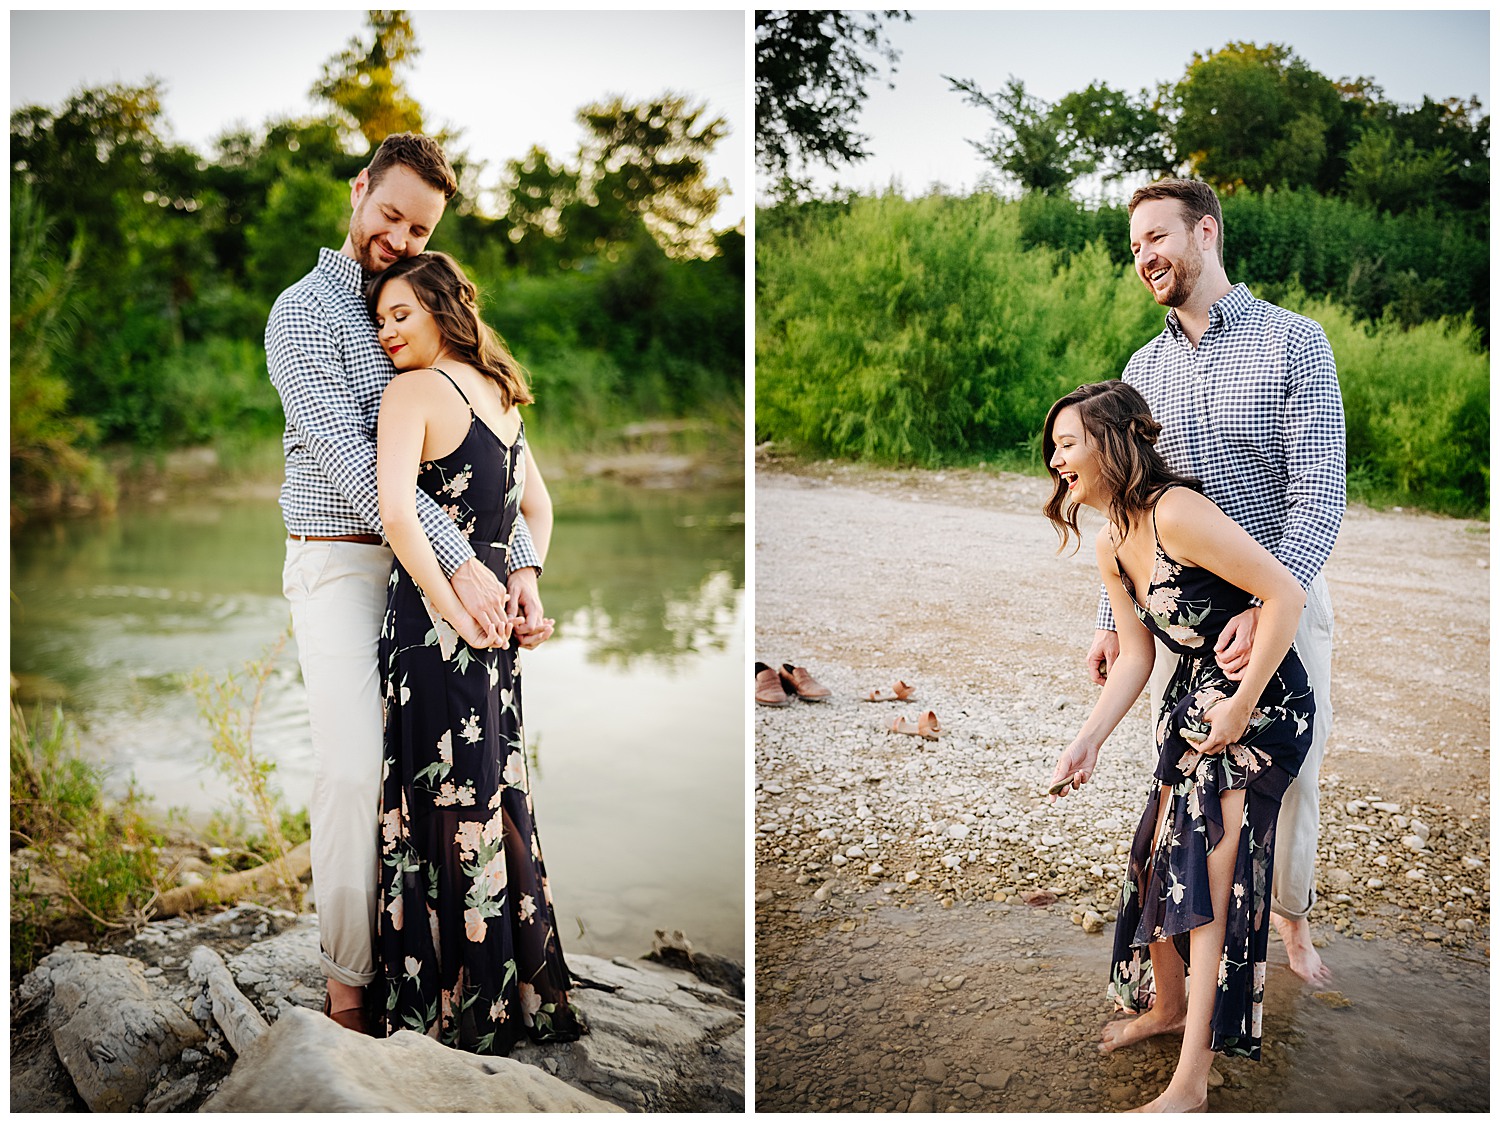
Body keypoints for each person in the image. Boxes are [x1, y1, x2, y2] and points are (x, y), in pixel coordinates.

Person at [268, 133, 549, 1034]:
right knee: (353, 771)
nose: (399, 236)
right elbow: (356, 464)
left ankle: (427, 974)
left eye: (419, 226)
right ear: (360, 190)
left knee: (430, 777)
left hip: (417, 572)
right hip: (342, 558)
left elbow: (495, 468)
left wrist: (513, 566)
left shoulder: (417, 312)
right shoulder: (302, 314)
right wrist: (462, 559)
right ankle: (348, 987)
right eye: (390, 214)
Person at [1085, 178, 1343, 988]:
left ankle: (1291, 923)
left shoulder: (1296, 342)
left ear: (1205, 233)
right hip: (1186, 608)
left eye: (1156, 238)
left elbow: (1321, 490)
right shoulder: (1142, 365)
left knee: (1289, 772)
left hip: (1282, 586)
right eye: (1134, 247)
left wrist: (1271, 601)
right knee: (1194, 776)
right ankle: (1202, 958)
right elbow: (1127, 500)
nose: (1144, 258)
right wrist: (1108, 612)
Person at [1045, 380, 1313, 1113]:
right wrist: (1088, 739)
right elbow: (1135, 656)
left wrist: (1241, 705)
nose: (1056, 459)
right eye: (1054, 447)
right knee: (1151, 858)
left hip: (1263, 705)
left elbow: (1284, 594)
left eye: (1069, 443)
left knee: (1207, 888)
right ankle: (1166, 1008)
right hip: (1192, 699)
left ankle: (1190, 1084)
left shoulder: (1176, 512)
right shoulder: (1110, 542)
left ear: (1112, 441)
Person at [369, 250, 584, 1051]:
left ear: (442, 306)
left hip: (441, 628)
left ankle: (446, 1009)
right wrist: (527, 580)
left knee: (437, 805)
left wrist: (442, 600)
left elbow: (396, 512)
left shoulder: (412, 392)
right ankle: (508, 997)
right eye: (381, 318)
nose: (388, 331)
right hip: (491, 628)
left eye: (402, 314)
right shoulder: (499, 397)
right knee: (488, 795)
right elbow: (537, 506)